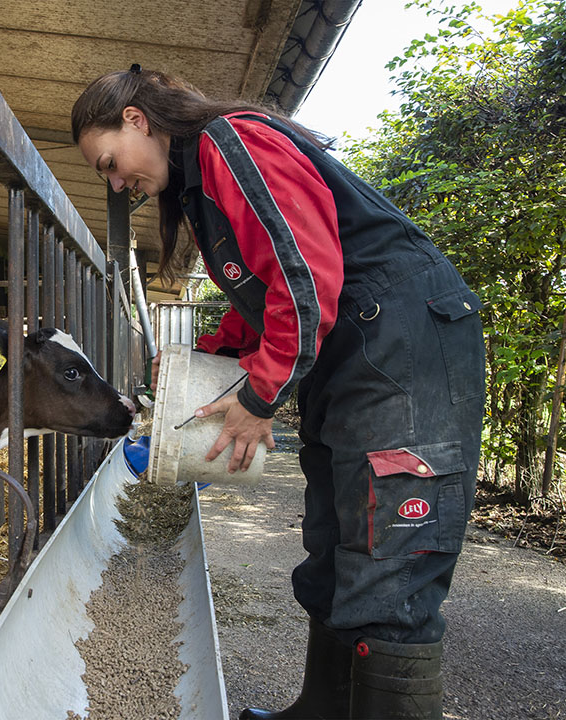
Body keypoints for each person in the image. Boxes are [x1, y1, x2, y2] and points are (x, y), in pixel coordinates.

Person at [72, 65, 485, 720]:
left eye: (109, 164)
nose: (117, 183)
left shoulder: (228, 143)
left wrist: (260, 396)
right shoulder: (203, 190)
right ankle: (320, 711)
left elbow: (303, 277)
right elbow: (260, 300)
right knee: (334, 543)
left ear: (135, 120)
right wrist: (196, 365)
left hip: (405, 348)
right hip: (353, 360)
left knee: (392, 560)